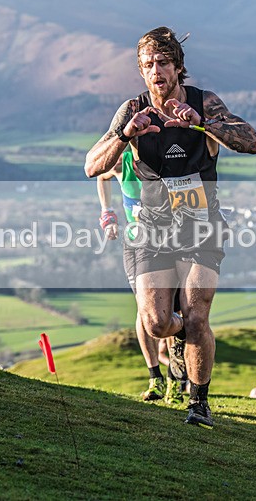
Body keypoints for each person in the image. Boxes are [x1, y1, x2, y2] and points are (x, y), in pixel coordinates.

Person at [85, 27, 256, 428]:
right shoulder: (132, 110)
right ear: (141, 71)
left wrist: (204, 125)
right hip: (150, 230)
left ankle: (198, 405)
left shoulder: (204, 103)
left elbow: (253, 142)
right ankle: (179, 335)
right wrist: (124, 134)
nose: (156, 71)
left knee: (198, 314)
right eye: (148, 65)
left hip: (202, 227)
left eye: (163, 62)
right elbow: (92, 166)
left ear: (178, 67)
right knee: (156, 323)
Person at [97, 151, 186, 404]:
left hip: (172, 244)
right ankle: (154, 377)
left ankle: (175, 381)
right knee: (144, 308)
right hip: (137, 245)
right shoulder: (122, 161)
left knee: (169, 310)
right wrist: (107, 214)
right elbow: (100, 176)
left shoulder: (167, 156)